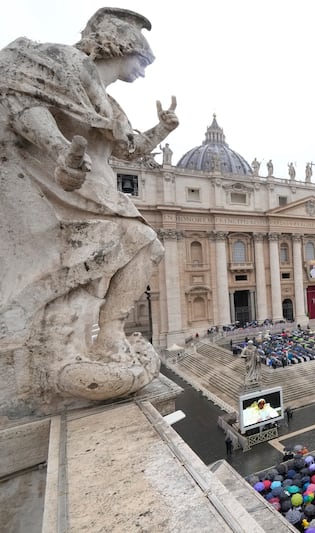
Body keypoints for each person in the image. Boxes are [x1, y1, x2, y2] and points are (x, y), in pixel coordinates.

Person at [0, 7, 177, 401]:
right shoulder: (64, 63)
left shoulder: (113, 106)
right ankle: (88, 338)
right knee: (141, 243)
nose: (144, 71)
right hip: (63, 187)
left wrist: (163, 128)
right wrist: (60, 150)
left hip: (95, 188)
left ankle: (104, 332)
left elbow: (132, 150)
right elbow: (23, 104)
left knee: (142, 246)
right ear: (122, 45)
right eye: (142, 61)